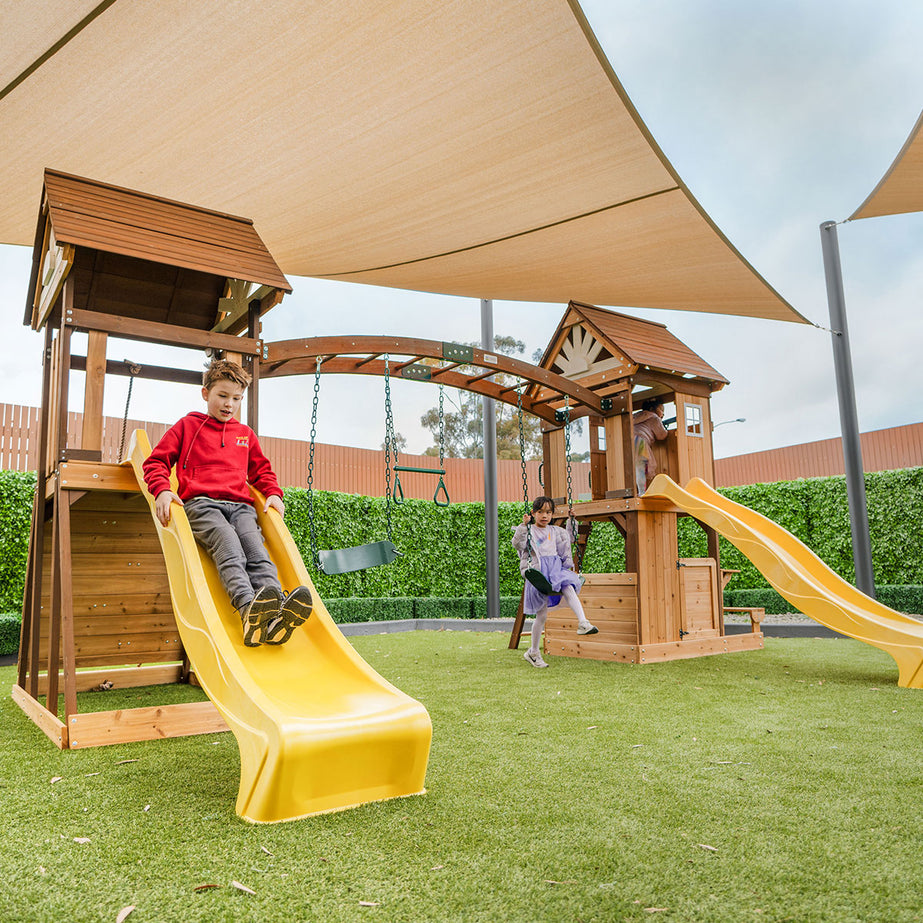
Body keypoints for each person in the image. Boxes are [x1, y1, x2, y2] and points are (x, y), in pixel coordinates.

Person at [142, 359, 313, 647]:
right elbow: (156, 462)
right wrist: (161, 490)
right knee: (229, 545)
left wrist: (273, 493)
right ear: (205, 393)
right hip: (201, 504)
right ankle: (248, 609)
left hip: (241, 507)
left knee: (256, 550)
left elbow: (261, 470)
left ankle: (273, 618)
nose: (229, 404)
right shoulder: (188, 426)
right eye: (222, 396)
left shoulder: (244, 435)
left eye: (236, 399)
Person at [512, 496, 598, 668]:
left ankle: (583, 623)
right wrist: (523, 526)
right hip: (539, 572)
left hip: (555, 571)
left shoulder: (555, 531)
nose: (545, 516)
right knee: (541, 615)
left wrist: (572, 520)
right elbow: (517, 544)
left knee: (568, 585)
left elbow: (569, 539)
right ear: (533, 513)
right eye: (541, 512)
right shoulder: (529, 530)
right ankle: (533, 652)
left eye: (548, 512)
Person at [632, 398, 668, 495]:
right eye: (661, 410)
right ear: (652, 409)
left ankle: (633, 491)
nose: (663, 414)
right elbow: (662, 435)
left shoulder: (636, 416)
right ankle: (641, 492)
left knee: (633, 468)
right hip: (639, 441)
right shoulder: (654, 417)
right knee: (641, 467)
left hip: (628, 441)